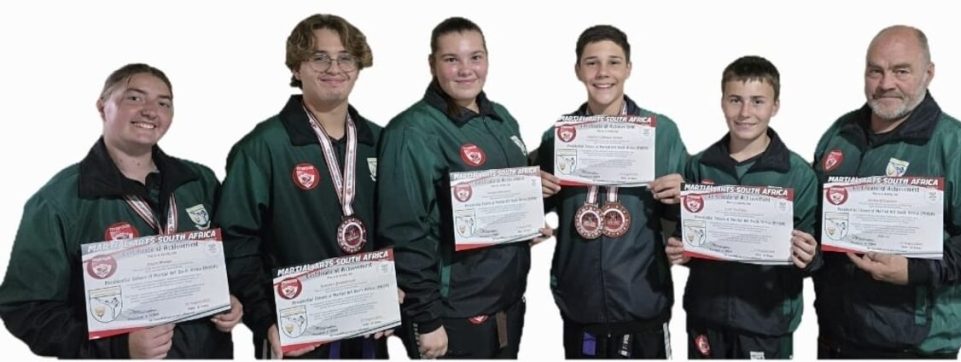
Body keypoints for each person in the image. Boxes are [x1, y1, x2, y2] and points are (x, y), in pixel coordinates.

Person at [0, 63, 242, 358]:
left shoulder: (199, 181)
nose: (151, 111)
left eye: (163, 102)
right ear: (103, 107)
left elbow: (236, 256)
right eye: (134, 98)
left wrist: (231, 299)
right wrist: (118, 348)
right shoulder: (59, 200)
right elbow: (26, 309)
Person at [812, 25, 961, 359]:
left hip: (916, 346)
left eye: (901, 71)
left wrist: (917, 270)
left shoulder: (958, 148)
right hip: (837, 337)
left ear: (929, 73)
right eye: (875, 71)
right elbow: (816, 219)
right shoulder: (839, 135)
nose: (886, 84)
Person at [376, 16, 554, 359]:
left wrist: (526, 220)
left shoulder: (501, 118)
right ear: (432, 64)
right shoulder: (412, 132)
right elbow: (404, 231)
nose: (465, 70)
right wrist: (427, 319)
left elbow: (498, 200)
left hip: (508, 301)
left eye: (475, 57)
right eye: (451, 59)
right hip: (453, 311)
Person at [217, 14, 391, 359]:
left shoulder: (380, 141)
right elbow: (235, 241)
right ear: (296, 68)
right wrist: (264, 318)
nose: (334, 67)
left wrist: (399, 288)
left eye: (346, 57)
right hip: (295, 332)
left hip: (369, 323)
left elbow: (402, 225)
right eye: (319, 57)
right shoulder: (262, 147)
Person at [534, 24, 685, 359]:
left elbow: (684, 218)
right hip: (581, 304)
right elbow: (534, 204)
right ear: (577, 70)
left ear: (628, 68)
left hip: (643, 300)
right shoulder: (557, 137)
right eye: (592, 63)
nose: (603, 73)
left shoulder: (662, 132)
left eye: (614, 62)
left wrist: (683, 195)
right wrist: (531, 205)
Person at [664, 55, 820, 359]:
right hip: (706, 314)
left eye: (758, 101)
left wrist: (810, 257)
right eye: (735, 100)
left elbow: (816, 253)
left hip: (767, 320)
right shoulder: (699, 166)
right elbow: (688, 240)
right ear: (722, 102)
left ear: (775, 106)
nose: (745, 112)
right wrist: (680, 252)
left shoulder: (798, 174)